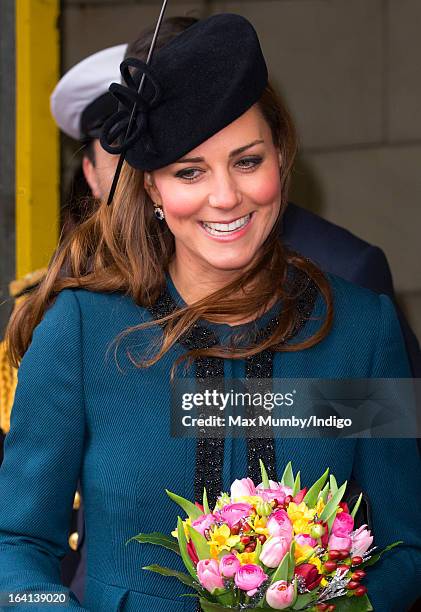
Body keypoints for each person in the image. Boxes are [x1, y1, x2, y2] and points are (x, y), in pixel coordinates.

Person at [0, 12, 420, 612]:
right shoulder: (84, 329)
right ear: (151, 188)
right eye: (189, 172)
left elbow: (406, 548)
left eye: (248, 161)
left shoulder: (359, 333)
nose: (225, 197)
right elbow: (15, 546)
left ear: (282, 155)